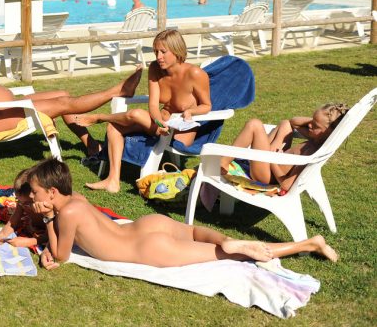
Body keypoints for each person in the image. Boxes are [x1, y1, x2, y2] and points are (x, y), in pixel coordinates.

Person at [31, 158, 338, 270]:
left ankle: (307, 244)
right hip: (144, 227)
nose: (33, 198)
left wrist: (47, 222)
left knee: (231, 256)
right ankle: (227, 238)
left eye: (36, 193)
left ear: (52, 193)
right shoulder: (78, 199)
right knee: (199, 235)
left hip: (145, 248)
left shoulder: (65, 214)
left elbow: (61, 256)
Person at [0, 31, 143, 157]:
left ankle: (91, 145)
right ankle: (117, 91)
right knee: (64, 103)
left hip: (9, 104)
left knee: (61, 92)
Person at [76, 29, 211, 193]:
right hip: (158, 124)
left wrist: (192, 112)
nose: (158, 57)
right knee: (114, 127)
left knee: (135, 114)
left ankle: (100, 116)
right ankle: (113, 180)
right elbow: (153, 106)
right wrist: (158, 122)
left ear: (177, 50)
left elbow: (207, 106)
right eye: (155, 51)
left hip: (180, 132)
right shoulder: (155, 68)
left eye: (163, 52)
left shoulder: (195, 73)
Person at [220, 103, 349, 192]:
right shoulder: (316, 138)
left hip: (267, 176)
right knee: (285, 124)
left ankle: (223, 163)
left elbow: (286, 185)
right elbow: (293, 122)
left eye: (315, 126)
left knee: (254, 124)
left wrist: (274, 161)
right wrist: (317, 122)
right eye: (311, 121)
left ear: (328, 133)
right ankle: (242, 156)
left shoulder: (312, 151)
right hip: (272, 163)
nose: (309, 125)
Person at [0, 167, 47, 248]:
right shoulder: (22, 203)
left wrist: (30, 241)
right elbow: (14, 219)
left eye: (27, 203)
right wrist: (3, 234)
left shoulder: (47, 207)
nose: (22, 204)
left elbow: (55, 234)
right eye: (18, 199)